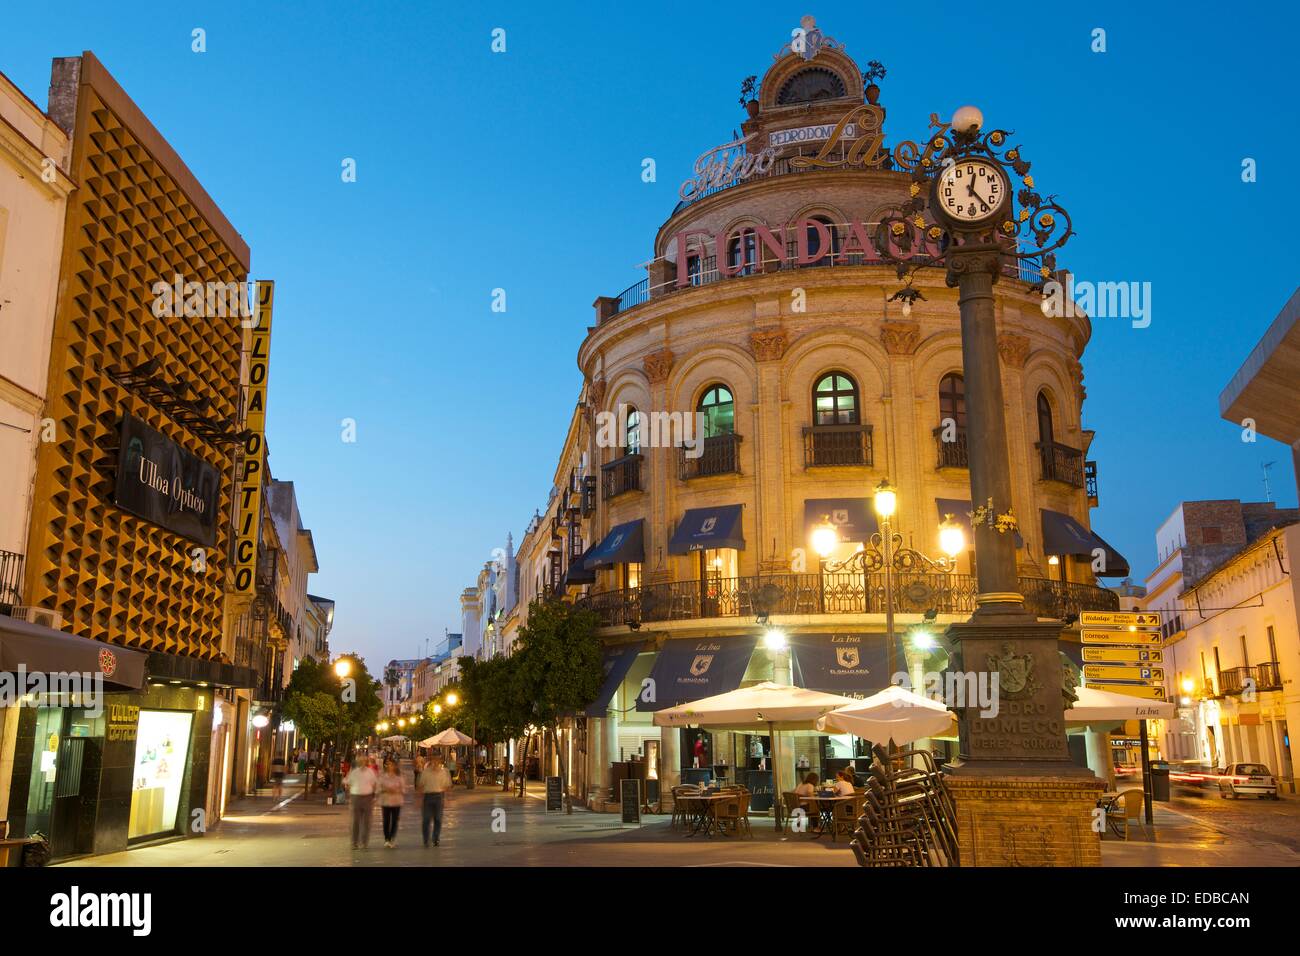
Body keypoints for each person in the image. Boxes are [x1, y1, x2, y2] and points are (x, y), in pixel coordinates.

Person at [417, 754, 453, 847]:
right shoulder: (426, 772)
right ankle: (426, 840)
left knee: (438, 819)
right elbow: (421, 785)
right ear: (431, 761)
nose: (435, 762)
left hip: (439, 796)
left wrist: (448, 798)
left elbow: (447, 786)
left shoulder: (444, 772)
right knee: (426, 819)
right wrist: (419, 799)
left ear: (440, 762)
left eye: (437, 760)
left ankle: (436, 838)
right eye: (434, 760)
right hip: (428, 796)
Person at [345, 757, 379, 849]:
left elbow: (375, 783)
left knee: (367, 821)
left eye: (364, 761)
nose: (362, 763)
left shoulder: (370, 772)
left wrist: (373, 795)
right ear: (358, 763)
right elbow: (347, 783)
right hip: (356, 797)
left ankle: (364, 842)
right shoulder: (354, 772)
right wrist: (351, 794)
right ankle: (354, 842)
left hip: (367, 797)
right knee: (355, 821)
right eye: (361, 761)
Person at [378, 758, 406, 848]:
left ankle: (392, 838)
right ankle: (387, 839)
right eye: (388, 764)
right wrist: (385, 789)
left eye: (391, 764)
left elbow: (404, 789)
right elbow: (378, 788)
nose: (389, 766)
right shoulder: (382, 777)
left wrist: (395, 790)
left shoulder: (399, 777)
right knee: (386, 821)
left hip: (396, 801)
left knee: (394, 821)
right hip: (385, 801)